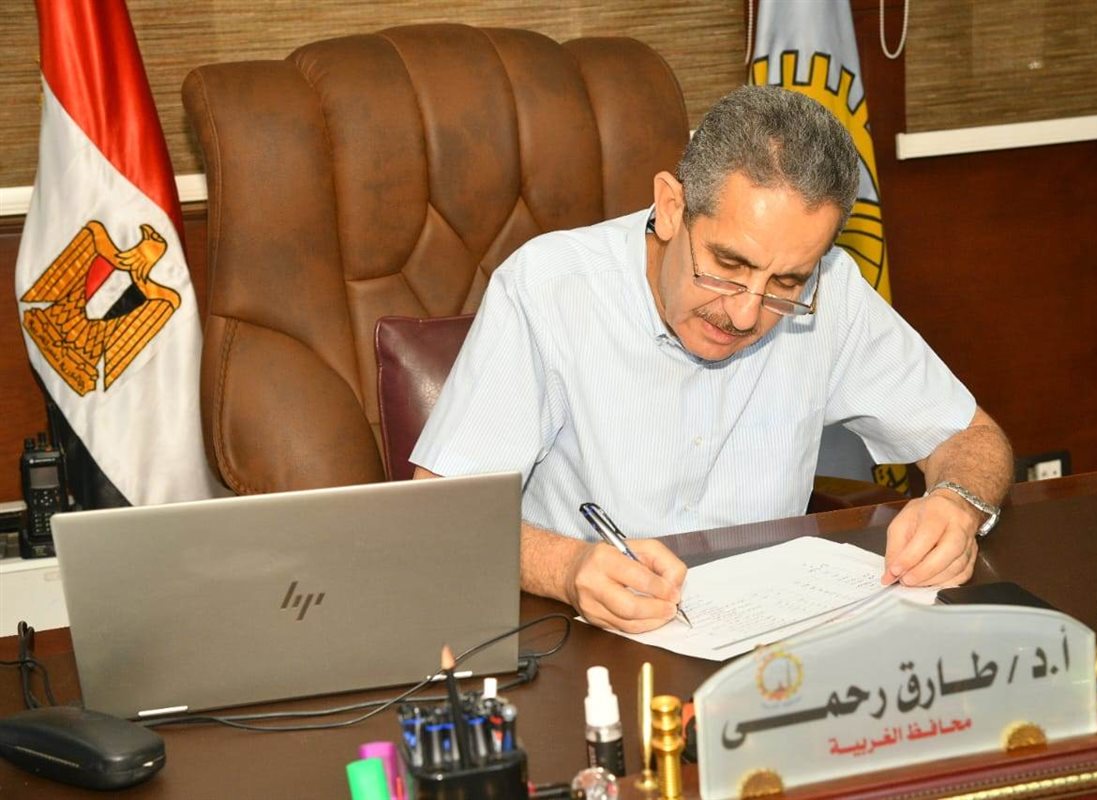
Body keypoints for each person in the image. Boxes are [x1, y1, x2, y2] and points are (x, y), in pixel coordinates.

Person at [412, 86, 1012, 634]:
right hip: (584, 636)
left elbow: (972, 437)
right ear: (671, 206)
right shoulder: (549, 286)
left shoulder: (834, 290)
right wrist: (566, 567)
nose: (746, 314)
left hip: (772, 636)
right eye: (728, 265)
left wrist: (956, 505)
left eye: (787, 283)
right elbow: (439, 518)